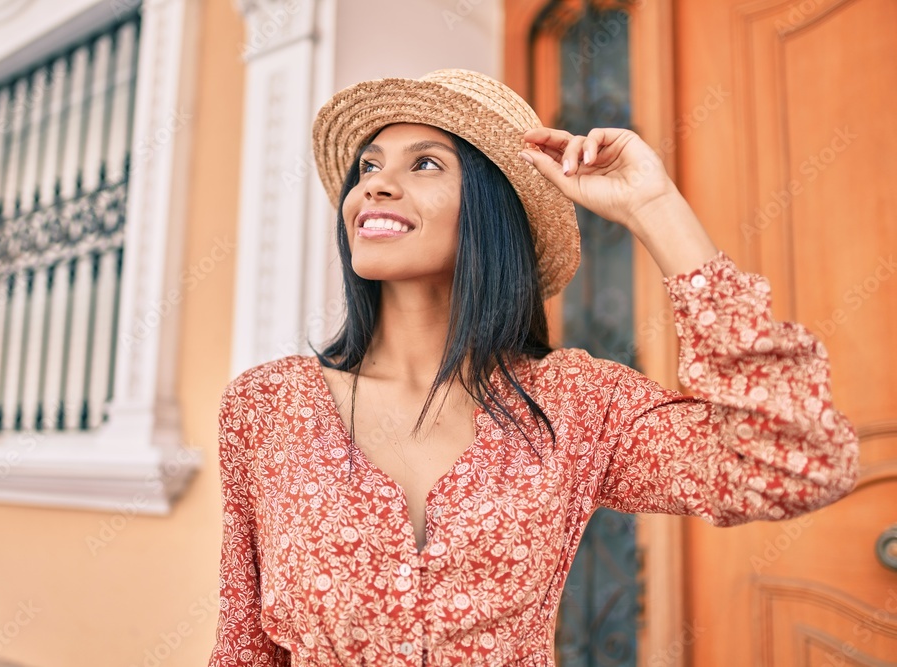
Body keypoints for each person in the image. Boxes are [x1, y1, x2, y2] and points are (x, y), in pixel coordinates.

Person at [208, 69, 859, 666]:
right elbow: (242, 642)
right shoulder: (268, 405)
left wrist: (653, 206)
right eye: (368, 166)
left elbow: (792, 461)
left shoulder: (576, 402)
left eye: (425, 162)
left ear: (492, 210)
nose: (373, 183)